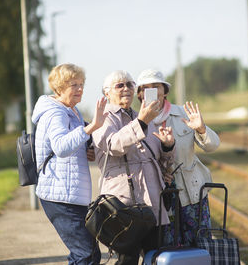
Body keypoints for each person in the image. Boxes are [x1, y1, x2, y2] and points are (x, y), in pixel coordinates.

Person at [92, 70, 175, 265]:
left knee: (156, 255)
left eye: (130, 84)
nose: (126, 89)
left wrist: (167, 145)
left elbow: (162, 160)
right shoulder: (103, 118)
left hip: (153, 201)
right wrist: (141, 123)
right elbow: (114, 146)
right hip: (124, 204)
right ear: (107, 93)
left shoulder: (142, 116)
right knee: (127, 259)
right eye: (119, 85)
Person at [31, 63, 107, 265]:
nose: (80, 89)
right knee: (86, 254)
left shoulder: (72, 111)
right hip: (60, 196)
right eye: (74, 84)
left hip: (72, 195)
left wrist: (86, 150)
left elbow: (73, 144)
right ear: (60, 87)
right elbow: (61, 147)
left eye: (82, 84)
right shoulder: (55, 113)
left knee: (87, 253)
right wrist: (91, 127)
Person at [136, 68, 220, 246]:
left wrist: (201, 128)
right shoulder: (136, 124)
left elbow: (212, 146)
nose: (151, 90)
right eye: (145, 87)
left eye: (156, 86)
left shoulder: (183, 114)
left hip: (193, 193)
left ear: (165, 91)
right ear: (140, 94)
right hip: (160, 199)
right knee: (167, 247)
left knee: (199, 245)